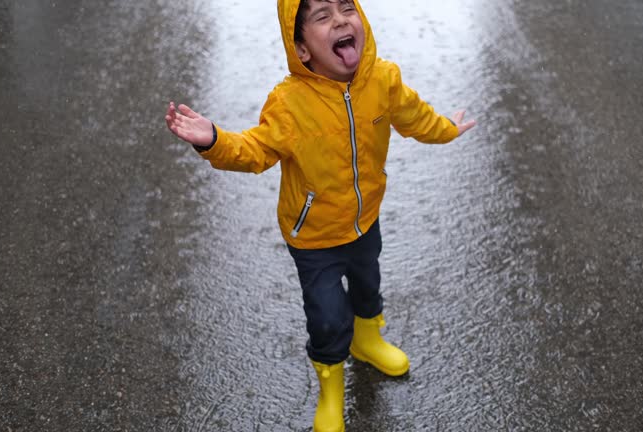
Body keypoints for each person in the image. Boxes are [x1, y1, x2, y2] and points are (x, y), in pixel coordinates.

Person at [165, 0, 476, 430]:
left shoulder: (383, 80)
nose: (341, 20)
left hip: (365, 220)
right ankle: (331, 388)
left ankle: (367, 340)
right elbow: (256, 150)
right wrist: (214, 140)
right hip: (313, 237)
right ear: (303, 50)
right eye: (322, 16)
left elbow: (413, 116)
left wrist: (445, 129)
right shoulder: (289, 103)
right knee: (327, 315)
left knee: (368, 285)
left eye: (346, 8)